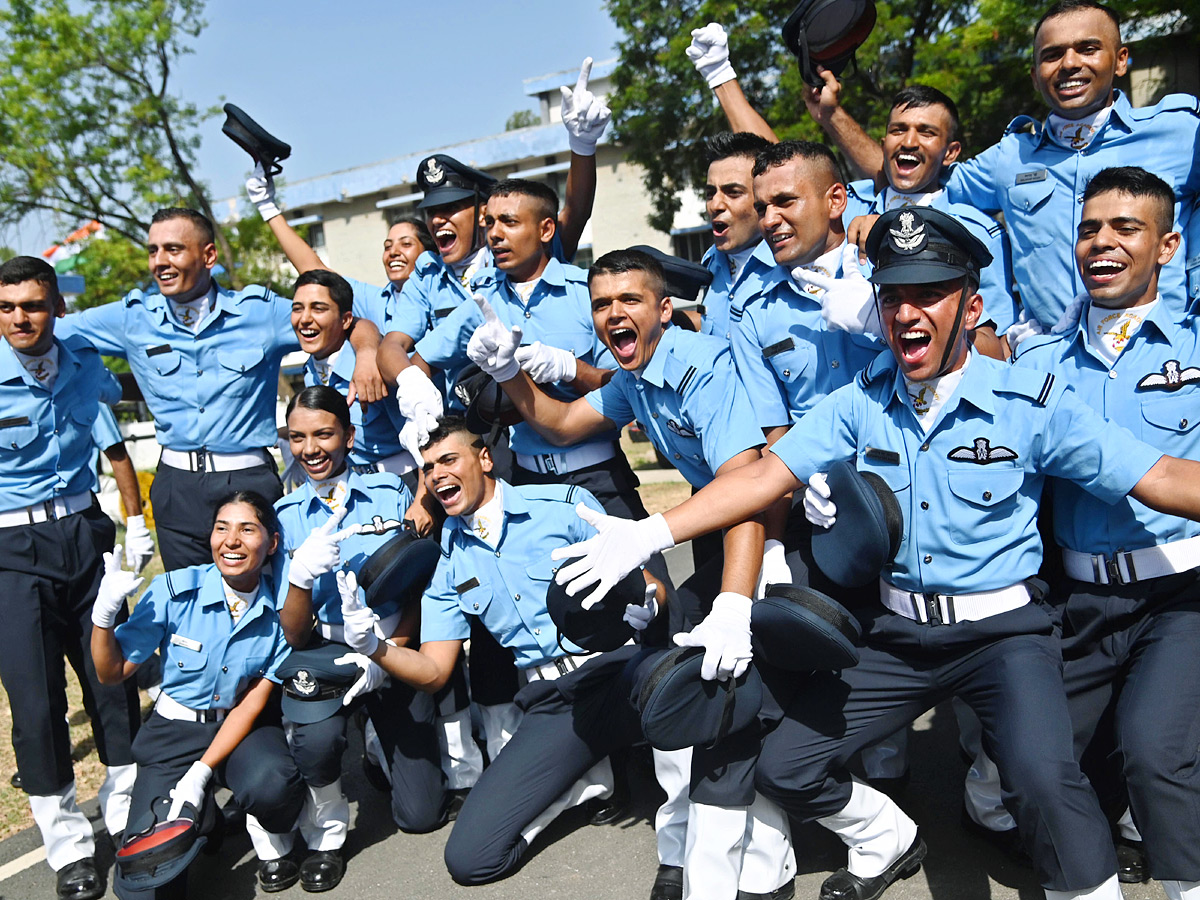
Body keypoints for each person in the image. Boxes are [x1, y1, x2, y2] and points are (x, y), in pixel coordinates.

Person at [553, 205, 1200, 900]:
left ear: (971, 305)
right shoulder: (860, 400)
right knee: (787, 766)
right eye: (893, 296)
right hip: (897, 635)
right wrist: (653, 533)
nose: (907, 312)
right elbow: (764, 477)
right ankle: (889, 838)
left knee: (1044, 781)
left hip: (1003, 635)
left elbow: (1161, 476)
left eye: (929, 294)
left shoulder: (1029, 402)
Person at [469, 249, 800, 900]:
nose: (613, 312)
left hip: (778, 528)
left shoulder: (701, 369)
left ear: (664, 309)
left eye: (629, 300)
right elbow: (563, 423)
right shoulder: (634, 375)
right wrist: (508, 372)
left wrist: (735, 599)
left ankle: (772, 862)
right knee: (710, 686)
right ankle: (710, 852)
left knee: (756, 693)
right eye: (601, 304)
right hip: (724, 526)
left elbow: (750, 491)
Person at [337, 416, 662, 886]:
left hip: (617, 668)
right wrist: (374, 647)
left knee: (692, 717)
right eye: (428, 468)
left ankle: (686, 840)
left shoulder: (562, 507)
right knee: (470, 859)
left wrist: (649, 607)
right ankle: (586, 778)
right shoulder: (448, 562)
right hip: (555, 704)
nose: (437, 474)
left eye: (449, 459)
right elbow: (433, 670)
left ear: (484, 458)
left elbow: (651, 587)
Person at [1012, 166, 1200, 900]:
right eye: (1090, 228)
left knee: (1156, 753)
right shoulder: (1037, 364)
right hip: (1077, 602)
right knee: (1044, 764)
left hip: (1181, 594)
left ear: (1168, 245)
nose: (1102, 242)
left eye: (1126, 228)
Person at [807, 0, 1200, 327]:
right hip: (1055, 366)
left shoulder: (1180, 134)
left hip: (1165, 360)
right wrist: (832, 116)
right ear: (1034, 76)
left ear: (1121, 61)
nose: (1069, 63)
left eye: (1088, 48)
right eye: (1052, 55)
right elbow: (912, 172)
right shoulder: (1009, 157)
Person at [55, 207, 386, 571]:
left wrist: (368, 351)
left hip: (247, 480)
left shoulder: (259, 313)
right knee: (190, 607)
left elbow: (345, 315)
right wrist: (99, 384)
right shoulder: (132, 317)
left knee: (264, 605)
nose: (160, 262)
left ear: (209, 255)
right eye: (153, 251)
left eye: (173, 249)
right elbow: (47, 333)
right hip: (175, 487)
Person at [0, 255, 142, 900]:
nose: (19, 318)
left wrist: (132, 522)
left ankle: (126, 816)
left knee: (110, 682)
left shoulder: (84, 364)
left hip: (85, 535)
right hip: (10, 547)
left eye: (32, 304)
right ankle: (68, 849)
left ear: (56, 306)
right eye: (6, 308)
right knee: (35, 707)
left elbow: (115, 431)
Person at [272, 385, 446, 890]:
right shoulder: (283, 517)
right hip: (325, 650)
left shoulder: (391, 491)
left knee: (420, 813)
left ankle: (375, 745)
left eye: (324, 433)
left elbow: (417, 578)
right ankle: (326, 821)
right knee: (318, 740)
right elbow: (294, 632)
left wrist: (395, 648)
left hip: (391, 643)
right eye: (298, 437)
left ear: (349, 435)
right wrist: (301, 576)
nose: (311, 449)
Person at [90, 491, 304, 898]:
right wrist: (103, 616)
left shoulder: (280, 608)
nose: (231, 540)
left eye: (247, 529)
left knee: (272, 784)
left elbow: (253, 701)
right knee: (142, 887)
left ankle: (259, 827)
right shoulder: (174, 590)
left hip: (238, 729)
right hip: (173, 733)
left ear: (272, 542)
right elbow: (110, 671)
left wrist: (201, 771)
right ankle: (205, 819)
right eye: (222, 528)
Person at [288, 268, 436, 519]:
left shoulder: (376, 367)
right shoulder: (312, 372)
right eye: (297, 308)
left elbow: (425, 435)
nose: (305, 318)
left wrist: (423, 502)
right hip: (353, 494)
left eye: (318, 308)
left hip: (404, 487)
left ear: (346, 320)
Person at [697, 132, 778, 344]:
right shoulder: (711, 263)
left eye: (732, 193)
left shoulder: (794, 265)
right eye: (710, 193)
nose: (715, 205)